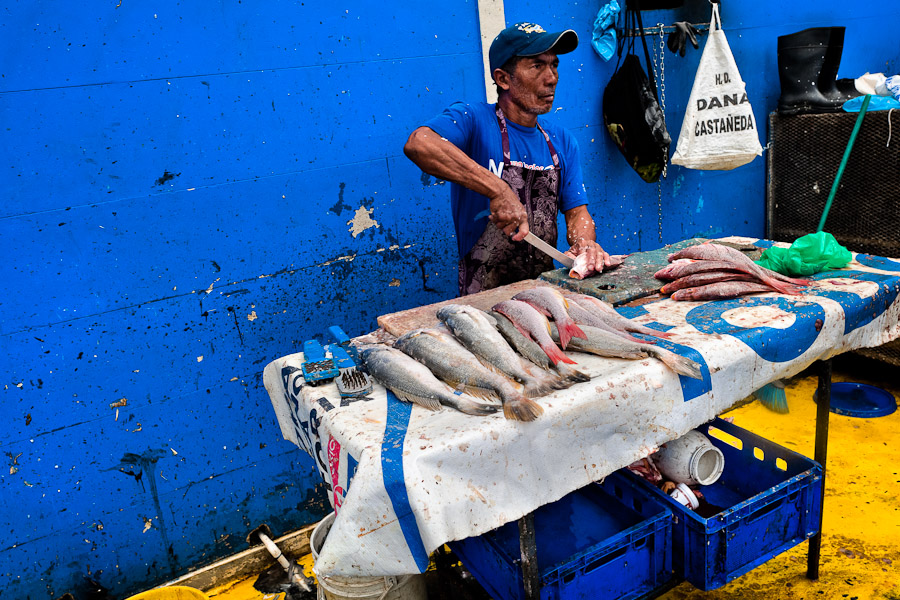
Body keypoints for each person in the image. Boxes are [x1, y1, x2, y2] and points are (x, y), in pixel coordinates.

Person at [404, 22, 612, 296]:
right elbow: (419, 144)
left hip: (544, 291)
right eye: (537, 66)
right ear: (503, 79)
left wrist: (585, 243)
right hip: (483, 297)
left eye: (554, 65)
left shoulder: (562, 140)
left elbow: (577, 214)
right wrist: (498, 189)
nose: (551, 78)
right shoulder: (473, 121)